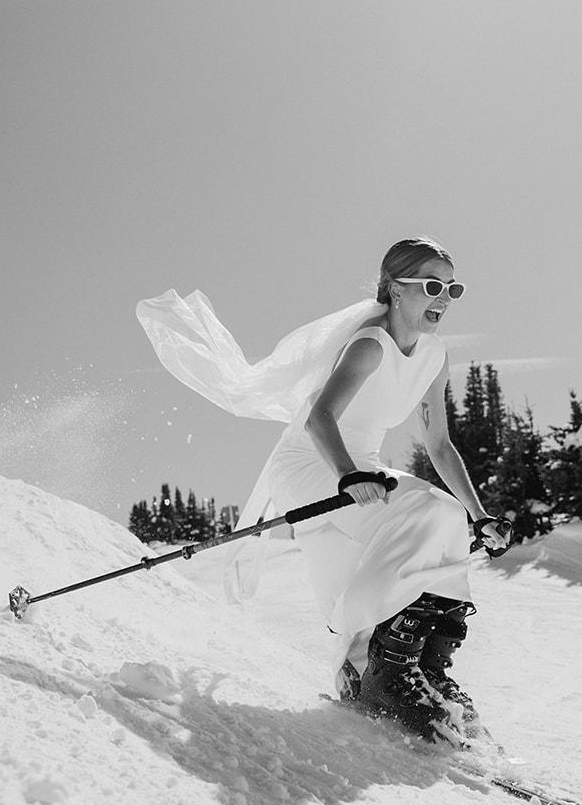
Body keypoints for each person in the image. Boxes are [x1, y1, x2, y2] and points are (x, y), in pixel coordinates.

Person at [136, 236, 509, 748]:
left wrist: (481, 515)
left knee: (435, 527)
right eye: (430, 285)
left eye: (452, 287)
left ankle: (412, 666)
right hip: (315, 464)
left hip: (362, 469)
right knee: (428, 511)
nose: (442, 297)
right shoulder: (370, 344)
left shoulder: (434, 356)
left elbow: (440, 445)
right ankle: (388, 667)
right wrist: (348, 476)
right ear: (394, 290)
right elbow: (319, 418)